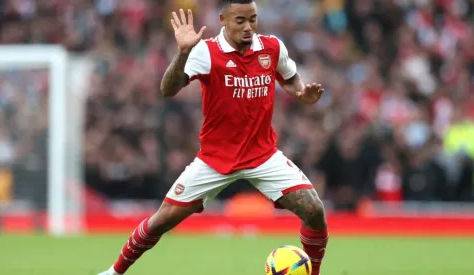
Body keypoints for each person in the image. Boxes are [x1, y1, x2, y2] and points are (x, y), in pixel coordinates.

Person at [97, 1, 328, 274]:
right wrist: (183, 52)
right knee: (162, 221)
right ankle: (114, 272)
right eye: (240, 20)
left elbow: (289, 78)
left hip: (263, 155)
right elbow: (168, 89)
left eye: (253, 19)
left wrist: (301, 93)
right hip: (215, 160)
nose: (248, 27)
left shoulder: (272, 48)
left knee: (314, 210)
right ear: (223, 19)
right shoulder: (206, 52)